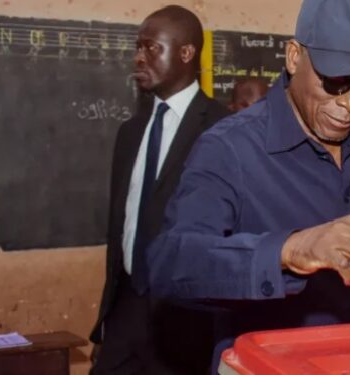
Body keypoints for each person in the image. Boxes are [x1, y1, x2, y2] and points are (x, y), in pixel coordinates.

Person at [145, 0, 350, 371]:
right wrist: (288, 251)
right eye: (336, 80)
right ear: (293, 57)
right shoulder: (229, 147)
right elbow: (169, 264)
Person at [90, 5, 230, 374]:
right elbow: (119, 227)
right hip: (125, 311)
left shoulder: (224, 130)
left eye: (152, 48)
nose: (139, 57)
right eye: (138, 47)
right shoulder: (130, 133)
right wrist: (106, 320)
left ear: (186, 53)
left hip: (184, 319)